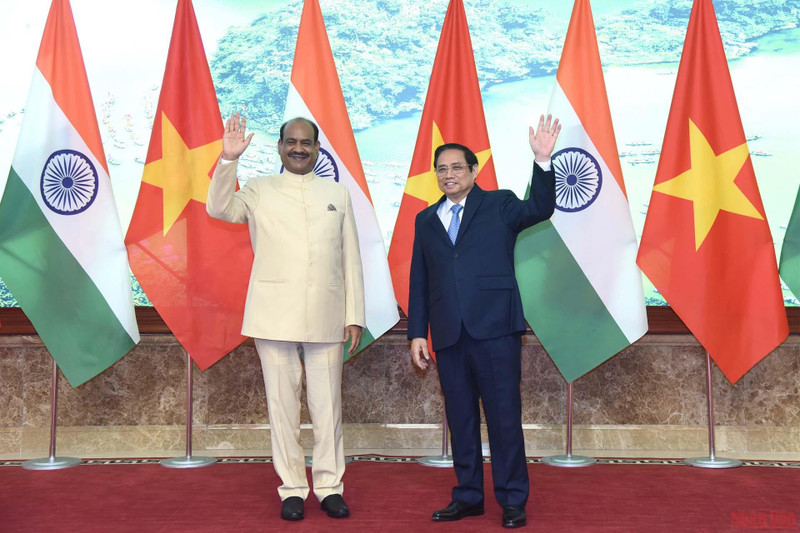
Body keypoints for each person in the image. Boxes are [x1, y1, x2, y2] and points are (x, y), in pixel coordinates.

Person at [207, 113, 365, 522]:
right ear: (279, 147)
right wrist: (228, 160)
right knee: (282, 408)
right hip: (273, 315)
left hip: (327, 313)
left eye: (306, 142)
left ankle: (329, 487)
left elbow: (350, 257)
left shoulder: (337, 193)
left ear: (317, 148)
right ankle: (292, 488)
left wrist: (354, 314)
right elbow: (219, 208)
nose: (298, 148)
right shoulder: (259, 188)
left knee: (328, 408)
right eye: (291, 142)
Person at [407, 114, 561, 529]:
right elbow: (420, 279)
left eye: (457, 167)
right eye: (442, 168)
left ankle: (512, 500)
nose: (449, 174)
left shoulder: (499, 204)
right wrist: (417, 332)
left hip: (495, 329)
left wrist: (542, 161)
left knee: (504, 417)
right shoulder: (426, 219)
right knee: (460, 419)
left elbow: (540, 208)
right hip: (449, 333)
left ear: (474, 171)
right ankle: (469, 496)